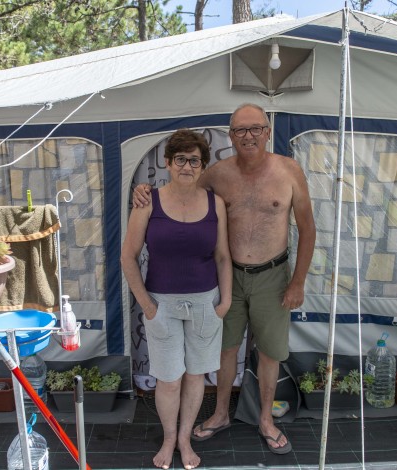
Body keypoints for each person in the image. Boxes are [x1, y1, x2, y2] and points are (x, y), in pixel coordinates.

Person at [133, 103, 315, 455]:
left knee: (270, 352)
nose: (248, 136)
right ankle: (219, 414)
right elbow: (180, 190)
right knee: (225, 349)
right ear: (230, 136)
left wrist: (298, 282)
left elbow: (308, 229)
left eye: (255, 129)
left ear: (267, 131)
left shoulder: (289, 171)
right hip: (227, 276)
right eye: (240, 130)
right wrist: (144, 189)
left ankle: (265, 419)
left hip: (274, 276)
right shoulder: (215, 174)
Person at [121, 129, 232, 470]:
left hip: (205, 304)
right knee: (169, 379)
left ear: (202, 165)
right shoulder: (148, 201)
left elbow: (223, 257)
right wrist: (148, 305)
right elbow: (129, 256)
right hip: (161, 304)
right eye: (180, 159)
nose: (187, 165)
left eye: (194, 160)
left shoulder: (216, 203)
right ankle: (169, 438)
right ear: (168, 163)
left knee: (196, 375)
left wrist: (224, 302)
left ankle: (185, 438)